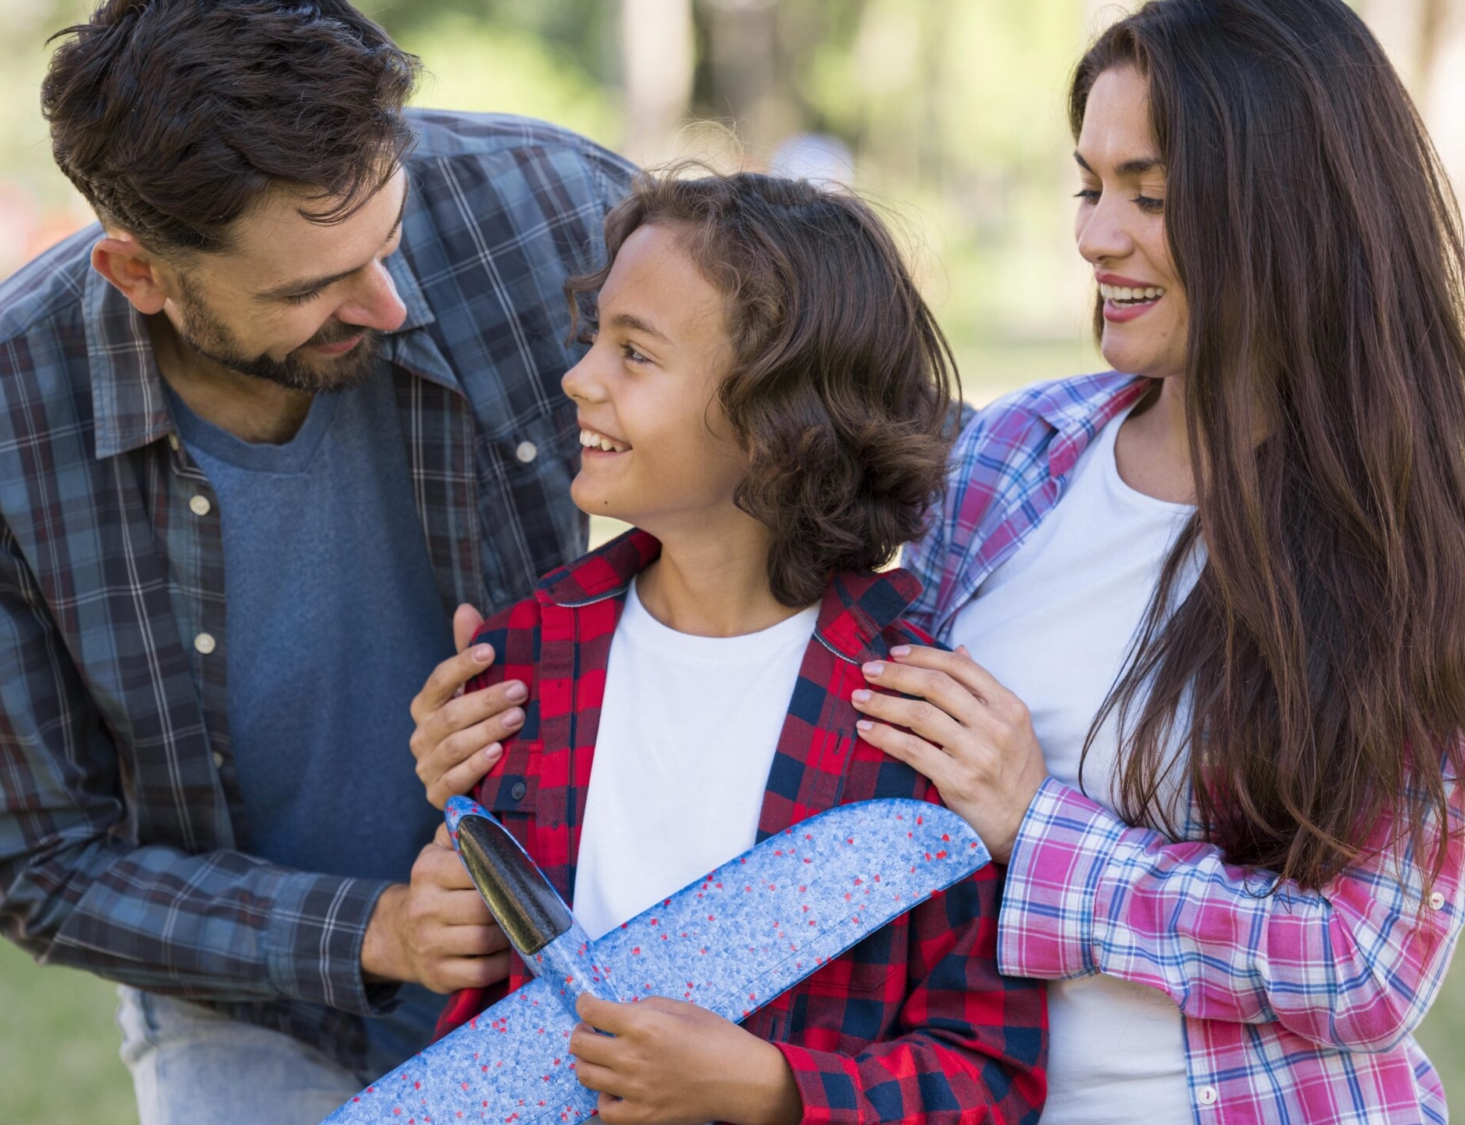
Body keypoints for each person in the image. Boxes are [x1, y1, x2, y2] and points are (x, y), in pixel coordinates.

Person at [840, 1, 1465, 1122]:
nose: (1096, 237)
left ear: (1283, 208)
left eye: (1149, 195)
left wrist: (1032, 826)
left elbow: (1360, 963)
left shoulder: (1399, 545)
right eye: (1089, 188)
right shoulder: (1008, 459)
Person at [0, 0, 633, 1120]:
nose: (386, 303)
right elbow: (37, 861)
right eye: (308, 290)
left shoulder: (553, 211)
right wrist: (379, 929)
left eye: (386, 239)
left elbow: (853, 433)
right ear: (138, 273)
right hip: (247, 997)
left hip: (592, 931)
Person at [431, 170, 1046, 1125]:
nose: (579, 376)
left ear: (775, 422)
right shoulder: (521, 667)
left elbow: (988, 1075)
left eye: (635, 353)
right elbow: (486, 1022)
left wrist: (770, 1088)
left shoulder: (914, 720)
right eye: (593, 336)